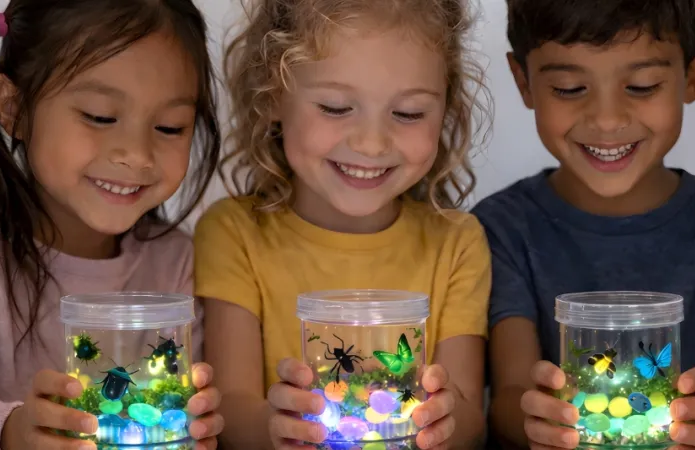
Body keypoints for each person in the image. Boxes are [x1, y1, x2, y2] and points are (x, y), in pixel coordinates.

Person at [474, 1, 695, 448]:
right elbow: (510, 396)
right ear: (524, 81)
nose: (607, 119)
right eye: (569, 88)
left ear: (692, 73)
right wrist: (541, 425)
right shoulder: (501, 228)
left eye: (641, 86)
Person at [195, 0, 493, 448]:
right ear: (272, 94)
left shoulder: (458, 242)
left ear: (446, 108)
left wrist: (444, 421)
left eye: (409, 113)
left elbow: (469, 418)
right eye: (335, 107)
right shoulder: (233, 233)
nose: (372, 144)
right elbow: (232, 409)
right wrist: (278, 429)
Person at [0, 1, 226, 449]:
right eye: (100, 117)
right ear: (14, 108)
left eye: (169, 127)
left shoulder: (176, 261)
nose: (136, 155)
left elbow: (181, 407)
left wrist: (198, 427)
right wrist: (9, 433)